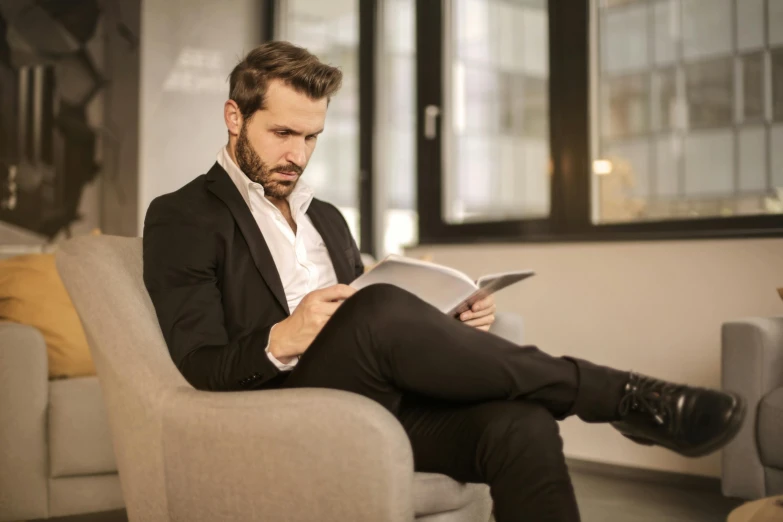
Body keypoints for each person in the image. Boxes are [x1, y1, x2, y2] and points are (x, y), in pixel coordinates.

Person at [142, 41, 745, 522]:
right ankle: (620, 397)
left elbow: (367, 328)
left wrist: (444, 320)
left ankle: (612, 398)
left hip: (377, 399)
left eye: (311, 138)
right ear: (234, 117)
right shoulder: (183, 215)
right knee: (377, 306)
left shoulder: (324, 215)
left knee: (521, 425)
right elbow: (200, 363)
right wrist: (285, 335)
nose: (297, 155)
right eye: (282, 134)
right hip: (279, 409)